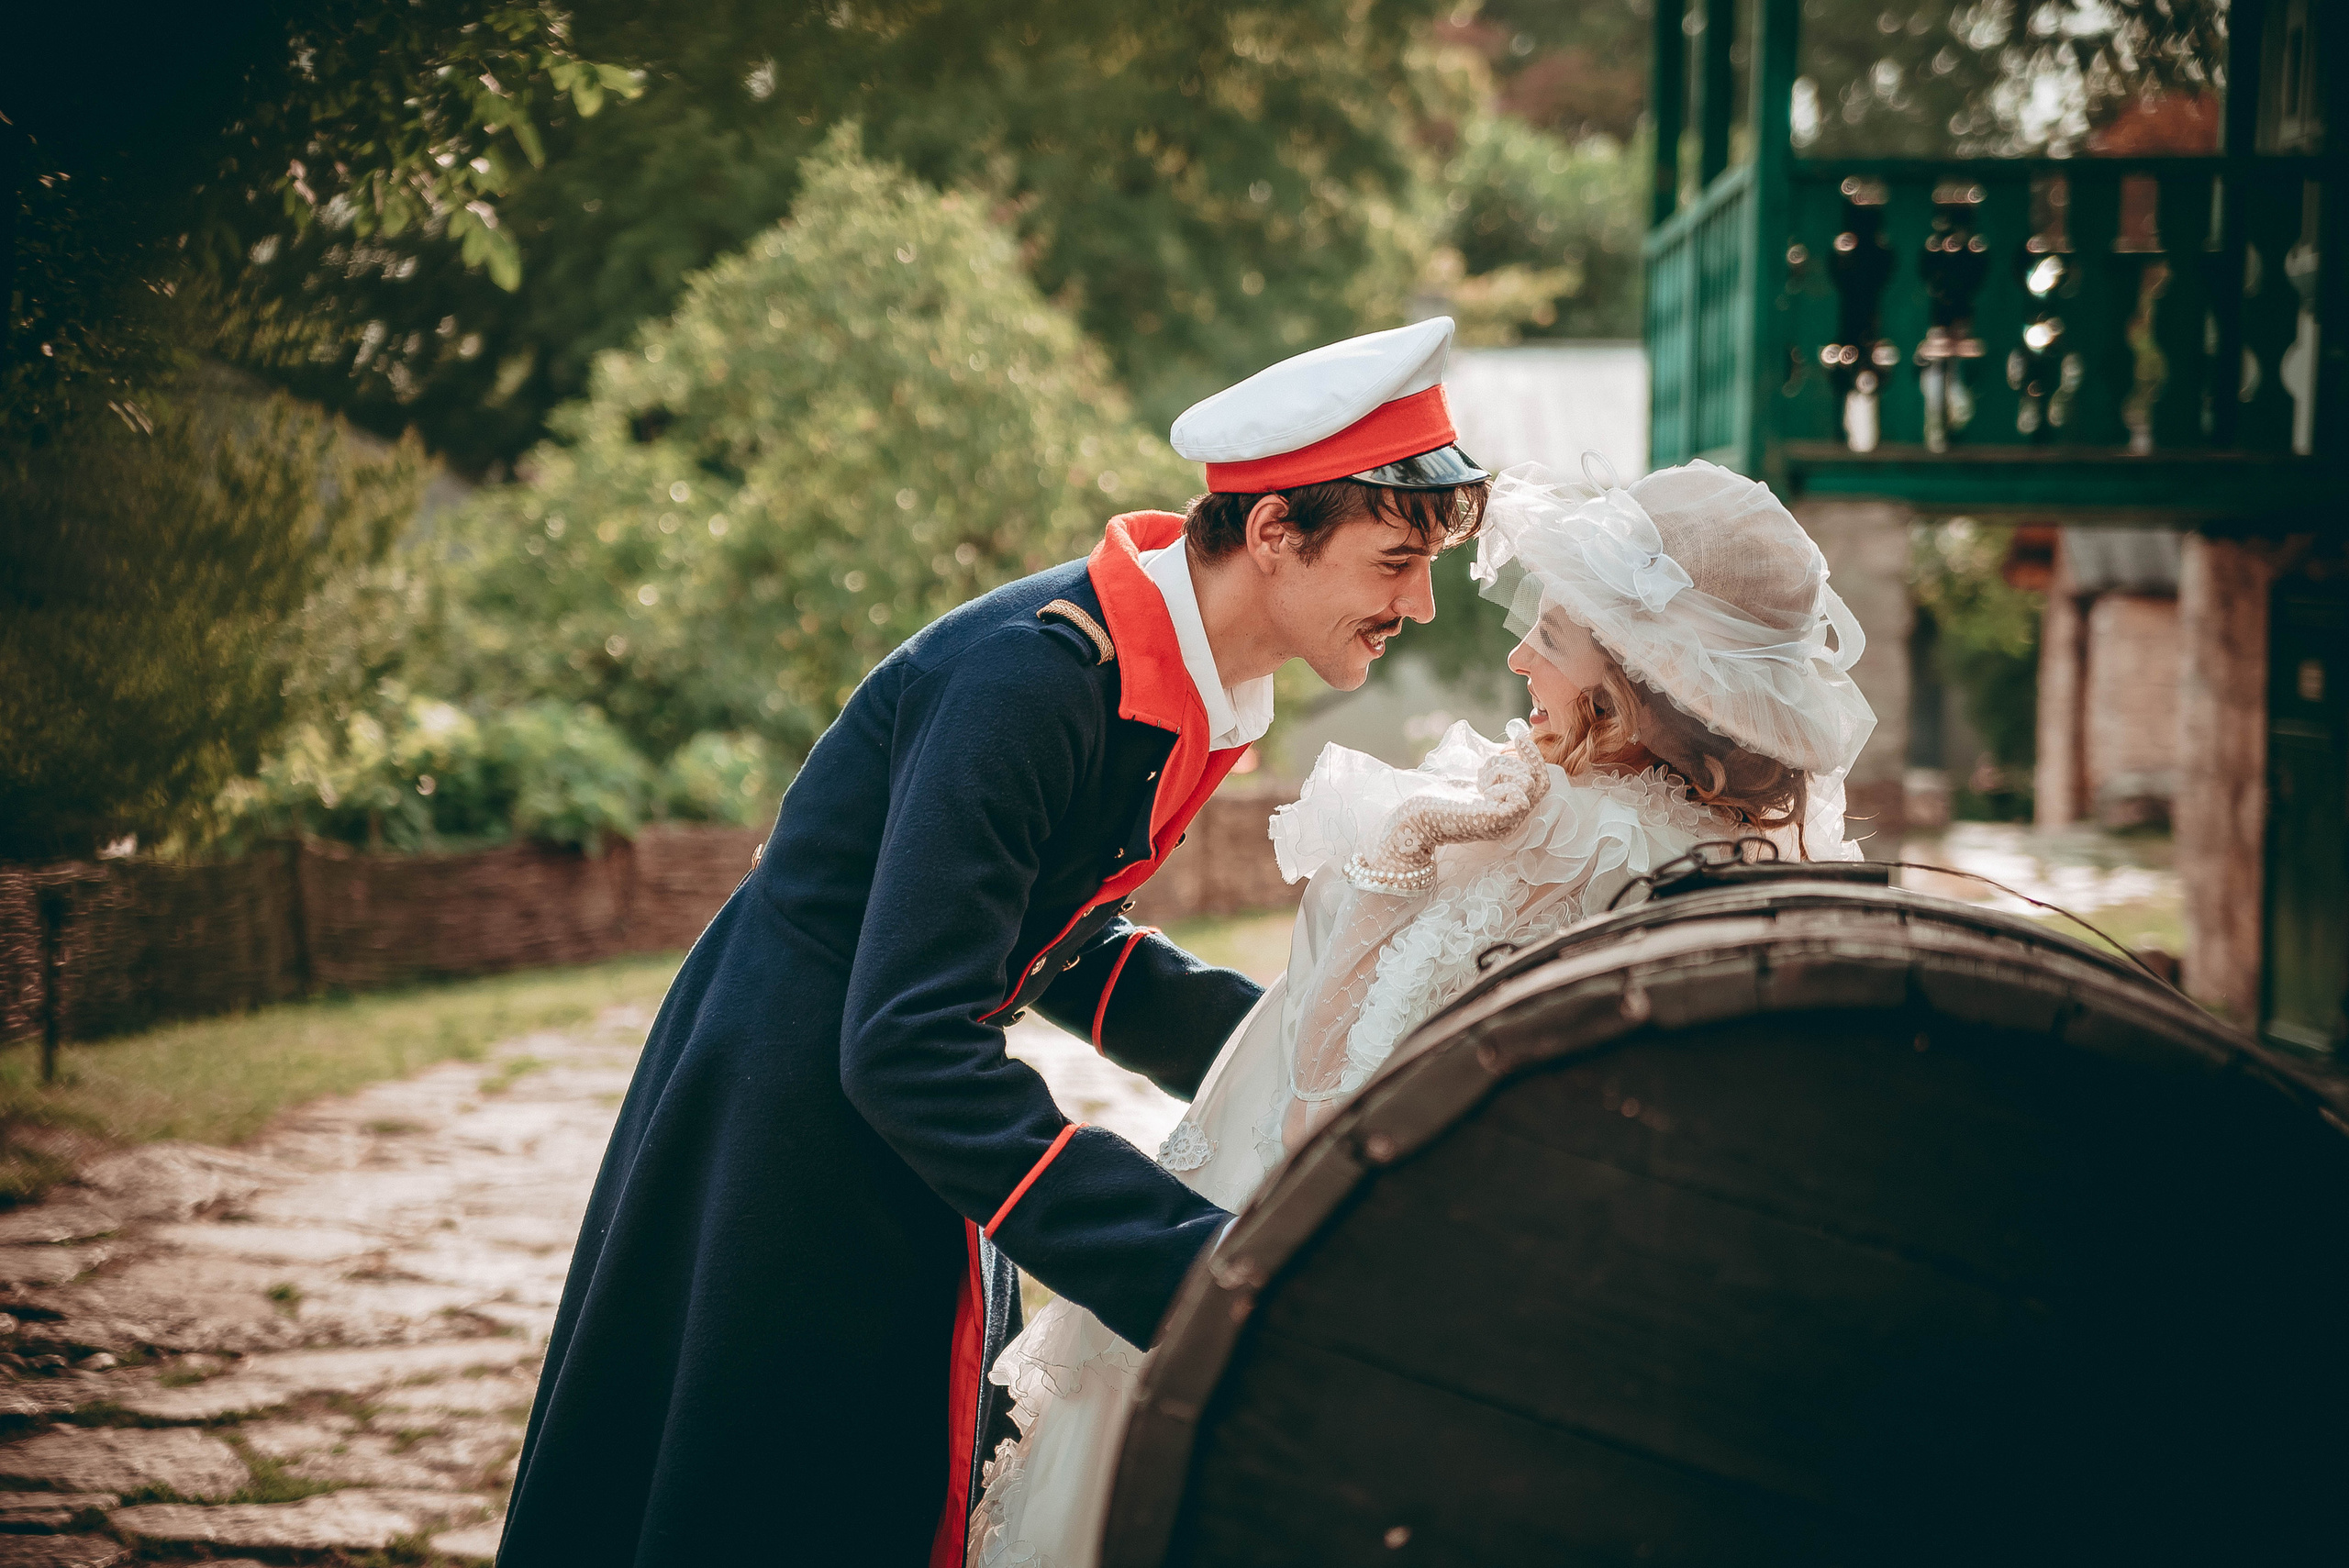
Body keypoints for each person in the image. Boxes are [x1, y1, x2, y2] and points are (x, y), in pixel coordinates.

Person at [496, 318, 1492, 1567]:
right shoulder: (1035, 679)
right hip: (790, 1113)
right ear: (1278, 532)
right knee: (781, 1490)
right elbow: (907, 1042)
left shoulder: (1177, 667)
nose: (1421, 600)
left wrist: (1306, 1051)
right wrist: (1194, 1266)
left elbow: (1064, 941)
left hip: (871, 1083)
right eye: (1396, 558)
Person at [964, 456, 1876, 1568]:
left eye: (1550, 633)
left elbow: (1326, 1122)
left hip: (1288, 1272)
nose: (1516, 653)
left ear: (1624, 685)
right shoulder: (1729, 849)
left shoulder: (1551, 833)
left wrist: (1395, 868)